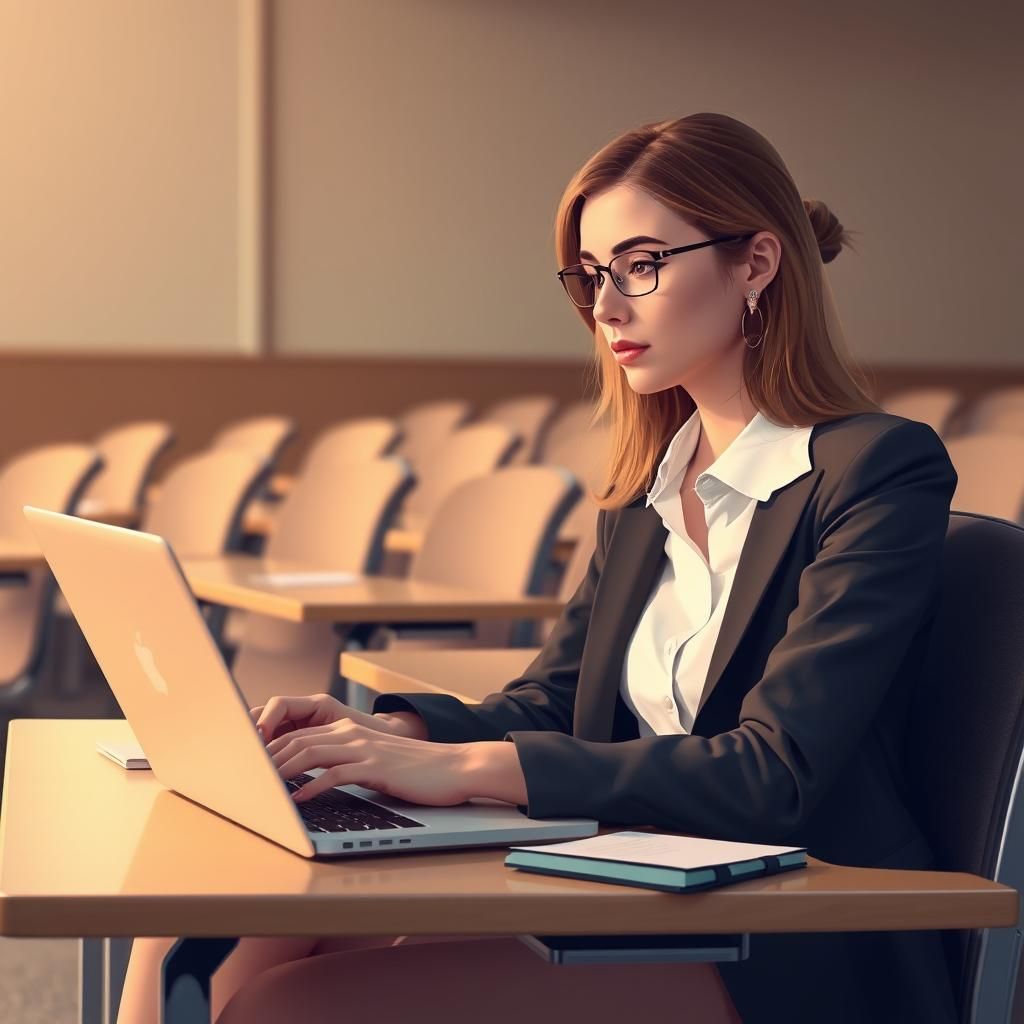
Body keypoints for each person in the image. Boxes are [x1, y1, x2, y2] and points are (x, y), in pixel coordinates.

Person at [117, 111, 959, 1024]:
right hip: (621, 880)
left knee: (289, 1006)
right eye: (593, 276)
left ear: (755, 264)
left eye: (642, 265)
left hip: (792, 936)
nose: (605, 309)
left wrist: (473, 769)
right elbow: (552, 705)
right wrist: (389, 733)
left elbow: (775, 773)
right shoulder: (645, 496)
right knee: (204, 927)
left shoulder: (875, 469)